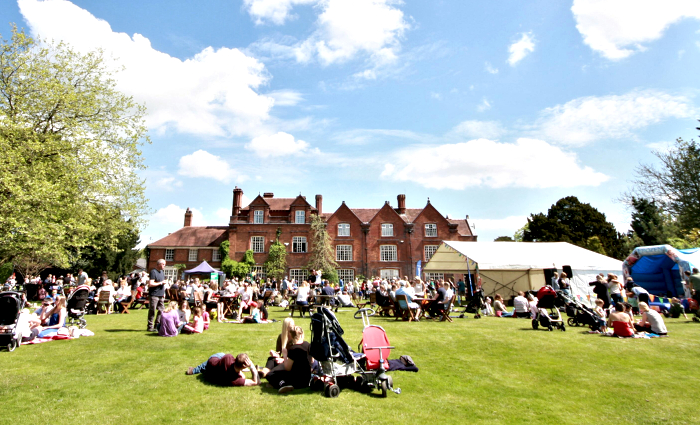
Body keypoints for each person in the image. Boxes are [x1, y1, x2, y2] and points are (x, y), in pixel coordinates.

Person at [265, 326, 313, 394]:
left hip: (295, 380)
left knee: (270, 374)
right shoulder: (308, 345)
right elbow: (312, 361)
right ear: (302, 334)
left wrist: (285, 355)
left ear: (292, 336)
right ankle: (279, 384)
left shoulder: (293, 349)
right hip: (306, 379)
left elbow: (287, 368)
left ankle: (283, 384)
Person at [186, 353, 260, 387]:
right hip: (212, 372)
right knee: (207, 365)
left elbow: (234, 365)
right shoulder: (234, 380)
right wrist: (252, 367)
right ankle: (195, 370)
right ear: (244, 366)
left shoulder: (228, 357)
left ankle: (194, 370)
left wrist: (240, 371)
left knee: (219, 356)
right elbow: (255, 382)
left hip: (212, 363)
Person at [147, 259, 167, 332]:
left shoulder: (162, 272)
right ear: (159, 264)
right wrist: (161, 283)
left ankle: (157, 325)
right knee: (152, 310)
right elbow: (151, 284)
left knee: (161, 310)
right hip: (154, 294)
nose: (164, 266)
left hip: (161, 294)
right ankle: (150, 326)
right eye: (163, 264)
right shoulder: (153, 272)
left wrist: (163, 293)